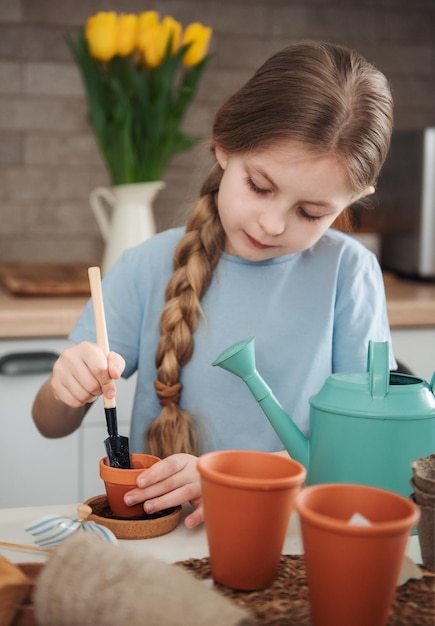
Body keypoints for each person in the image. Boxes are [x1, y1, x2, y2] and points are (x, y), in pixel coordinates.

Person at [33, 41, 396, 529]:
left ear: (355, 197)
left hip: (290, 538)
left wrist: (237, 481)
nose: (272, 224)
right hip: (160, 544)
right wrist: (65, 387)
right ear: (224, 144)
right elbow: (49, 424)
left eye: (311, 212)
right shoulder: (145, 266)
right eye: (260, 187)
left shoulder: (350, 273)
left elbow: (369, 453)